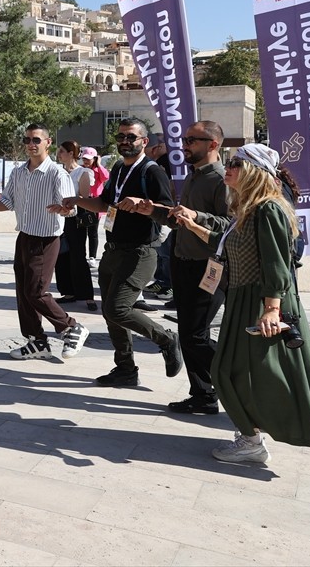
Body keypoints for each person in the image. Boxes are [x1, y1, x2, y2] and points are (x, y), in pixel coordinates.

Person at [170, 143, 310, 464]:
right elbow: (226, 245)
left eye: (236, 164)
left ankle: (254, 437)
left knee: (230, 370)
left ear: (254, 171)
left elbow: (277, 264)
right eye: (230, 162)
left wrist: (271, 308)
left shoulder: (267, 209)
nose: (228, 168)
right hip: (244, 296)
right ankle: (298, 404)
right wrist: (192, 225)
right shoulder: (248, 208)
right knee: (240, 370)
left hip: (261, 299)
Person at [66, 118, 182, 388]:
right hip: (113, 250)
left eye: (131, 137)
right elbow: (105, 203)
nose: (125, 142)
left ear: (144, 141)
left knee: (118, 308)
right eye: (120, 137)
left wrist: (146, 206)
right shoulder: (118, 168)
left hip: (140, 252)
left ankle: (166, 338)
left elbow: (171, 217)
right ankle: (125, 369)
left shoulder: (152, 172)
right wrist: (77, 201)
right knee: (110, 313)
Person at [130, 121, 229, 414]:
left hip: (208, 267)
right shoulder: (193, 176)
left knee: (195, 335)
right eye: (184, 139)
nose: (184, 145)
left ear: (213, 144)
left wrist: (196, 215)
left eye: (192, 140)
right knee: (188, 333)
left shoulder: (222, 180)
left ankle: (240, 379)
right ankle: (203, 395)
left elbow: (230, 227)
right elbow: (179, 220)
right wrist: (155, 211)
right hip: (183, 263)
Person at [0, 127, 90, 361]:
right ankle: (37, 342)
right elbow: (7, 202)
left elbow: (70, 208)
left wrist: (64, 208)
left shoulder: (57, 173)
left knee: (35, 291)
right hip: (24, 236)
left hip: (46, 238)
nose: (30, 143)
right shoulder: (19, 172)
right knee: (23, 293)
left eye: (36, 139)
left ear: (47, 143)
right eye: (27, 139)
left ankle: (71, 327)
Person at [52, 139, 96, 310]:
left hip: (76, 218)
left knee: (78, 255)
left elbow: (85, 198)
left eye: (62, 151)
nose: (59, 154)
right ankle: (68, 291)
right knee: (61, 254)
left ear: (71, 153)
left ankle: (87, 295)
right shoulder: (57, 171)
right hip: (59, 216)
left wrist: (71, 203)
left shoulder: (82, 173)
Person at [142, 133, 174, 306]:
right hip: (156, 211)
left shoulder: (166, 162)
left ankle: (168, 284)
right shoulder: (158, 162)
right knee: (162, 250)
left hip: (166, 211)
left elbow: (169, 187)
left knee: (165, 249)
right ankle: (161, 280)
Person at [80, 147, 109, 270]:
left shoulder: (98, 170)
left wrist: (99, 164)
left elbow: (106, 177)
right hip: (82, 202)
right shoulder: (81, 170)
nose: (86, 162)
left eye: (89, 159)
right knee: (81, 231)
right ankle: (82, 255)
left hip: (95, 204)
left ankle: (92, 257)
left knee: (93, 232)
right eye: (84, 159)